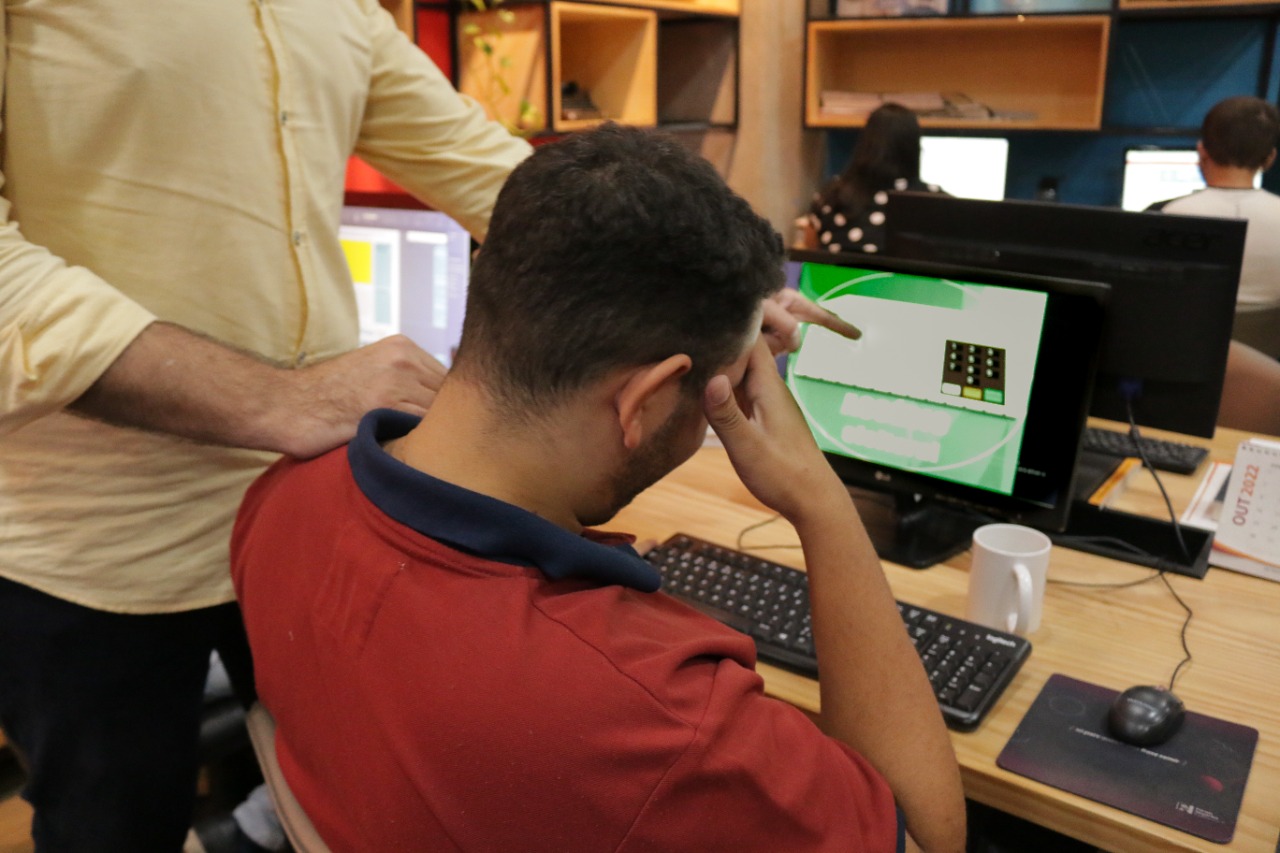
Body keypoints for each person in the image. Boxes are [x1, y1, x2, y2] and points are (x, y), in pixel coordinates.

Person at [232, 124, 967, 853]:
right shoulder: (657, 722)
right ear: (644, 402)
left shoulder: (281, 497)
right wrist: (822, 502)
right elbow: (929, 839)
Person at [1147, 95, 1280, 357]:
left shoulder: (1163, 217)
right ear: (1269, 159)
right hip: (1268, 371)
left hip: (1179, 361)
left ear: (1201, 151)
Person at [803, 102, 946, 256]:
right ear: (914, 148)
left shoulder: (831, 196)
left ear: (865, 144)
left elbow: (810, 250)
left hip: (839, 273)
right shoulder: (937, 203)